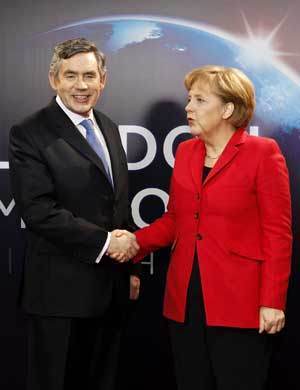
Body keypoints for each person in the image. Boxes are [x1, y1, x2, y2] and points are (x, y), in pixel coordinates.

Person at [112, 65, 292, 390]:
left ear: (227, 109)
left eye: (199, 99)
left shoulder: (263, 153)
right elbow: (175, 221)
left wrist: (273, 301)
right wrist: (133, 243)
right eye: (189, 99)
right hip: (186, 301)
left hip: (241, 303)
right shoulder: (186, 151)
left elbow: (278, 235)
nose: (188, 108)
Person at [9, 37, 139, 390]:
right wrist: (107, 242)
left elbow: (117, 204)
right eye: (70, 76)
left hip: (110, 293)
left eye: (89, 76)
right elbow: (38, 211)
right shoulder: (30, 132)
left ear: (103, 80)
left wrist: (128, 268)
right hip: (59, 298)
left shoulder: (109, 127)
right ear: (54, 79)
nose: (81, 86)